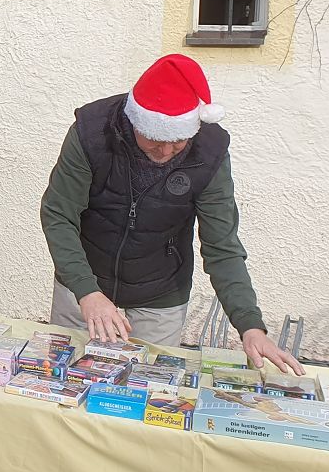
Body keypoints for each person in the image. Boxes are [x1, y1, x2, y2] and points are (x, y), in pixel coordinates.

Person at [39, 54, 302, 374]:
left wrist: (250, 326)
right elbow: (58, 214)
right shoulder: (92, 131)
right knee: (67, 377)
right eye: (154, 139)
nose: (165, 151)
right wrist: (87, 291)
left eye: (177, 141)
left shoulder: (210, 151)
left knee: (150, 384)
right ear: (136, 121)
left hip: (161, 292)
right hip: (83, 284)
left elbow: (222, 247)